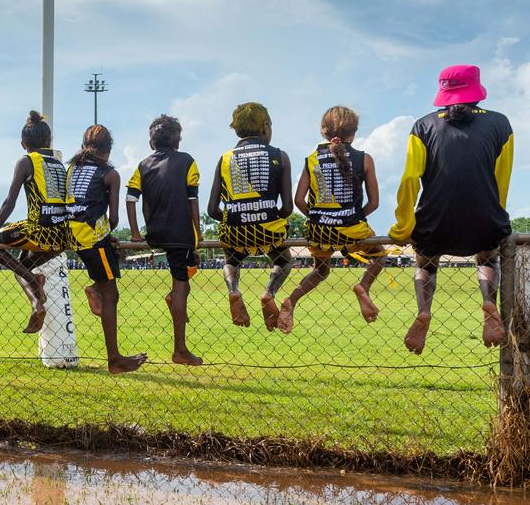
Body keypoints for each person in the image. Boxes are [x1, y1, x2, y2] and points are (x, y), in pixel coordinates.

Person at [390, 65, 513, 354]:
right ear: (476, 90)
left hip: (436, 220)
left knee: (425, 264)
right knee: (487, 259)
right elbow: (501, 178)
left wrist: (403, 225)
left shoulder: (423, 125)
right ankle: (488, 304)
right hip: (484, 218)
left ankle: (424, 311)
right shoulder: (501, 124)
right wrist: (496, 215)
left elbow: (410, 179)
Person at [277, 106, 386, 333]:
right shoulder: (365, 159)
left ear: (323, 132)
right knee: (379, 256)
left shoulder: (312, 160)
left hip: (320, 231)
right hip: (352, 228)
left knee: (321, 271)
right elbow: (374, 203)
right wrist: (353, 218)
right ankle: (363, 286)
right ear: (353, 132)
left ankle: (291, 301)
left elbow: (299, 200)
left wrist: (318, 218)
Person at [65, 125, 146, 373]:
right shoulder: (109, 173)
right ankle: (114, 359)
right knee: (112, 295)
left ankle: (95, 287)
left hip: (71, 237)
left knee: (107, 285)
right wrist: (108, 235)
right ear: (108, 149)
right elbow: (112, 220)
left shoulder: (72, 168)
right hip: (93, 239)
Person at [0, 111, 67, 333]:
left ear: (23, 143)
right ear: (49, 140)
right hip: (62, 235)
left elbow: (9, 202)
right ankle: (37, 304)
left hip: (39, 230)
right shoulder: (59, 164)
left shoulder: (26, 162)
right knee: (21, 268)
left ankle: (35, 281)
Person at [206, 102, 294, 331]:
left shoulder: (225, 158)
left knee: (231, 260)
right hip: (268, 228)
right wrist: (270, 215)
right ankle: (269, 293)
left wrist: (236, 216)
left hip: (234, 229)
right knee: (284, 261)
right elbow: (287, 207)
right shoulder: (280, 156)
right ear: (265, 127)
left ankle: (233, 291)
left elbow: (212, 210)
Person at [126, 115, 203, 366]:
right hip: (180, 234)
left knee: (184, 280)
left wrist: (137, 233)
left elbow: (131, 199)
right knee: (182, 284)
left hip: (155, 233)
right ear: (178, 140)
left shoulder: (143, 165)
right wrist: (198, 233)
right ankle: (180, 350)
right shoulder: (187, 161)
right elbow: (193, 201)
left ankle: (174, 298)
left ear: (152, 142)